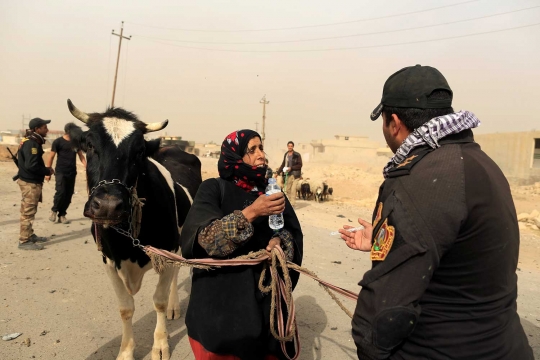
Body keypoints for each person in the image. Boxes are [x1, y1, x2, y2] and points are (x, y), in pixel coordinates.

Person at [339, 65, 533, 359]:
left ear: (393, 122)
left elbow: (385, 310)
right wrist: (385, 241)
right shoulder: (481, 163)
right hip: (505, 345)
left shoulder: (417, 178)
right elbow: (456, 250)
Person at [180, 129, 303, 359]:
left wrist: (280, 242)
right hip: (220, 312)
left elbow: (292, 235)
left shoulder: (273, 191)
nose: (261, 155)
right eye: (252, 149)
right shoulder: (213, 189)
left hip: (268, 309)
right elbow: (204, 240)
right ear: (234, 156)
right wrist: (252, 212)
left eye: (261, 148)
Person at [17, 117, 55, 250]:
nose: (47, 130)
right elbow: (31, 165)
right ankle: (24, 241)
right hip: (30, 183)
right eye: (45, 127)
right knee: (28, 212)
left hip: (31, 181)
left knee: (30, 211)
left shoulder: (31, 141)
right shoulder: (32, 144)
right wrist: (47, 171)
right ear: (37, 129)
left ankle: (29, 234)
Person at [45, 122, 86, 224]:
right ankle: (54, 210)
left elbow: (81, 156)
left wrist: (86, 166)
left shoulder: (75, 143)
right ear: (69, 131)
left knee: (69, 193)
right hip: (61, 171)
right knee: (61, 191)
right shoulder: (58, 142)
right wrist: (47, 172)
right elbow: (51, 157)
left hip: (72, 172)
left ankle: (62, 215)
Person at [277, 141, 302, 207]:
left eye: (291, 146)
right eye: (289, 146)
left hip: (296, 175)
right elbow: (283, 164)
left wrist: (291, 168)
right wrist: (278, 172)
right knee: (288, 189)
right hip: (288, 174)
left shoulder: (297, 155)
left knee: (293, 189)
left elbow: (300, 165)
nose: (290, 147)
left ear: (293, 147)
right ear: (287, 146)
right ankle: (291, 201)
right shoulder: (286, 155)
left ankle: (292, 204)